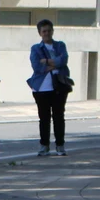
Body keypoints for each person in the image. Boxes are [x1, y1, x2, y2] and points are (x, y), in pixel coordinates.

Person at [27, 19, 70, 157]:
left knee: (59, 117)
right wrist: (55, 64)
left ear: (52, 31)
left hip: (59, 86)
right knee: (44, 118)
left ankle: (60, 145)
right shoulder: (36, 48)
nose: (47, 33)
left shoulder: (60, 45)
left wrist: (45, 61)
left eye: (49, 30)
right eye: (44, 31)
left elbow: (64, 60)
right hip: (41, 88)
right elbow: (36, 66)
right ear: (40, 33)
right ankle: (44, 145)